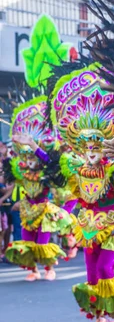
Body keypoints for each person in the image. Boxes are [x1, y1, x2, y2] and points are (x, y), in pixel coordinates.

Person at [49, 64, 114, 322]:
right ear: (80, 147)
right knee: (91, 273)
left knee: (104, 268)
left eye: (96, 146)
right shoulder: (76, 169)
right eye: (86, 147)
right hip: (88, 225)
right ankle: (100, 314)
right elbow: (54, 171)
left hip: (113, 225)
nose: (91, 151)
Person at [3, 98, 74, 281]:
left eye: (31, 158)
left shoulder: (45, 170)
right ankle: (33, 270)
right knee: (27, 243)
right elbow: (8, 169)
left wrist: (32, 145)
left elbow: (49, 161)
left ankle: (50, 268)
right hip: (27, 210)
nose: (29, 162)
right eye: (26, 158)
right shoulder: (20, 171)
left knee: (42, 242)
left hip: (43, 211)